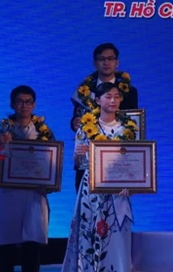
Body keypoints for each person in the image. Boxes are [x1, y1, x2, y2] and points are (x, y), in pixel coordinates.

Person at [62, 81, 137, 272]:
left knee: (116, 234)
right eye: (108, 97)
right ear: (97, 100)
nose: (113, 101)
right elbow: (79, 164)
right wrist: (78, 155)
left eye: (116, 97)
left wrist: (131, 184)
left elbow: (135, 161)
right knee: (91, 232)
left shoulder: (128, 129)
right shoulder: (86, 128)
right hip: (92, 188)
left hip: (118, 189)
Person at [0, 85, 53, 272]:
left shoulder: (44, 134)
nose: (24, 105)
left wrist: (49, 185)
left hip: (34, 195)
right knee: (7, 246)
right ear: (12, 105)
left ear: (34, 105)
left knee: (32, 247)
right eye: (20, 101)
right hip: (9, 194)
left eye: (28, 102)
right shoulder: (2, 133)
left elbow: (53, 164)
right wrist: (0, 146)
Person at [70, 43, 138, 190]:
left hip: (117, 159)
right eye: (102, 59)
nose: (106, 62)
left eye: (110, 59)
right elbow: (76, 117)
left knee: (117, 201)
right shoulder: (84, 91)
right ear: (95, 63)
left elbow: (132, 123)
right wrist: (75, 122)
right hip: (88, 159)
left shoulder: (129, 92)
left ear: (117, 62)